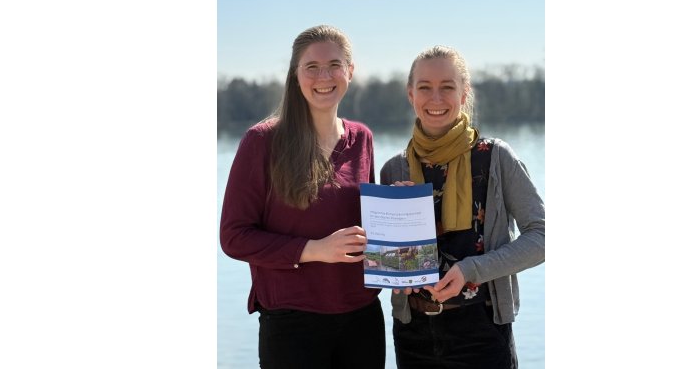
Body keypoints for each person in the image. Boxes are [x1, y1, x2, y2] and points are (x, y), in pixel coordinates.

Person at [220, 25, 384, 369]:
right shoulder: (262, 141)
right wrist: (314, 250)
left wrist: (397, 211)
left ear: (350, 72)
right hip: (292, 323)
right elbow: (234, 237)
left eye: (334, 65)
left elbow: (368, 227)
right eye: (311, 66)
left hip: (362, 318)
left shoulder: (363, 138)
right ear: (296, 75)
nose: (323, 76)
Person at [380, 45, 545, 369]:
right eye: (425, 88)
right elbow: (387, 263)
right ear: (410, 94)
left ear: (464, 93)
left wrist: (471, 269)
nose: (436, 98)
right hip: (413, 334)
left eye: (448, 87)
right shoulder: (394, 170)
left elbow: (542, 236)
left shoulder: (496, 158)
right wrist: (399, 229)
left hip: (482, 332)